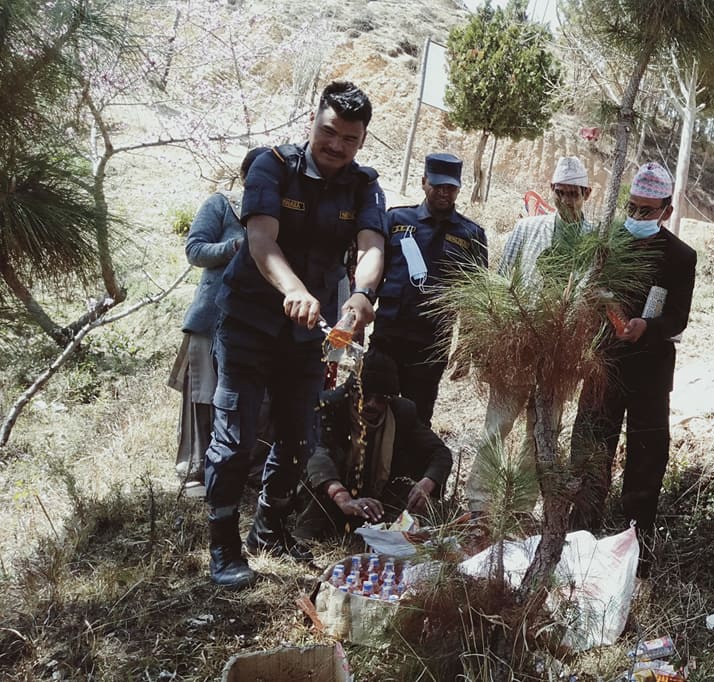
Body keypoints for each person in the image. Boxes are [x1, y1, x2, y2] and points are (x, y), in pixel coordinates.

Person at [204, 80, 387, 587]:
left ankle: (270, 529)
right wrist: (294, 290)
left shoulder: (365, 185)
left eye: (350, 139)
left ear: (362, 140)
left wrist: (361, 296)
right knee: (236, 439)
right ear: (315, 121)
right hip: (249, 321)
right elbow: (260, 239)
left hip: (308, 336)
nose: (337, 146)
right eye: (330, 132)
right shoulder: (272, 166)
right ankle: (223, 548)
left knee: (298, 436)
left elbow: (372, 246)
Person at [569, 162, 696, 576]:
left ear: (666, 209)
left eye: (648, 210)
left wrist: (648, 327)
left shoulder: (680, 256)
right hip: (604, 364)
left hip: (651, 370)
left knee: (647, 455)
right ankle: (581, 533)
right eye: (633, 207)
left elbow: (678, 316)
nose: (638, 217)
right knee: (591, 446)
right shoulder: (607, 243)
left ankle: (634, 539)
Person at [464, 156, 593, 514]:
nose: (567, 201)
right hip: (519, 347)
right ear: (551, 191)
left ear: (587, 193)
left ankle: (520, 510)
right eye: (561, 193)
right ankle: (479, 504)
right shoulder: (527, 230)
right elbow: (503, 283)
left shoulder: (595, 239)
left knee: (542, 435)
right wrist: (493, 341)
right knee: (497, 425)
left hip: (561, 356)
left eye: (574, 194)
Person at [370, 153, 487, 426]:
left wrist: (467, 346)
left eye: (451, 188)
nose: (444, 193)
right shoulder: (397, 219)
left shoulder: (471, 235)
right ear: (424, 182)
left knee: (416, 421)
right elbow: (374, 273)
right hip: (388, 336)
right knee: (370, 411)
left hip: (430, 346)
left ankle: (405, 470)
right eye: (438, 186)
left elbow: (474, 296)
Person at [296, 351, 453, 540]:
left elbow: (439, 452)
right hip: (335, 491)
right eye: (365, 396)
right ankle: (312, 530)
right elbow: (317, 454)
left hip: (378, 496)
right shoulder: (330, 404)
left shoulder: (402, 412)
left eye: (380, 399)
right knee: (318, 467)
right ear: (352, 391)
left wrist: (426, 485)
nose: (371, 405)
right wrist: (342, 497)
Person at [169, 189, 245, 497]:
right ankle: (195, 470)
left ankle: (242, 470)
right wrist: (235, 246)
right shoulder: (223, 204)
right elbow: (195, 249)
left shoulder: (284, 208)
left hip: (258, 322)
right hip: (212, 317)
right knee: (202, 395)